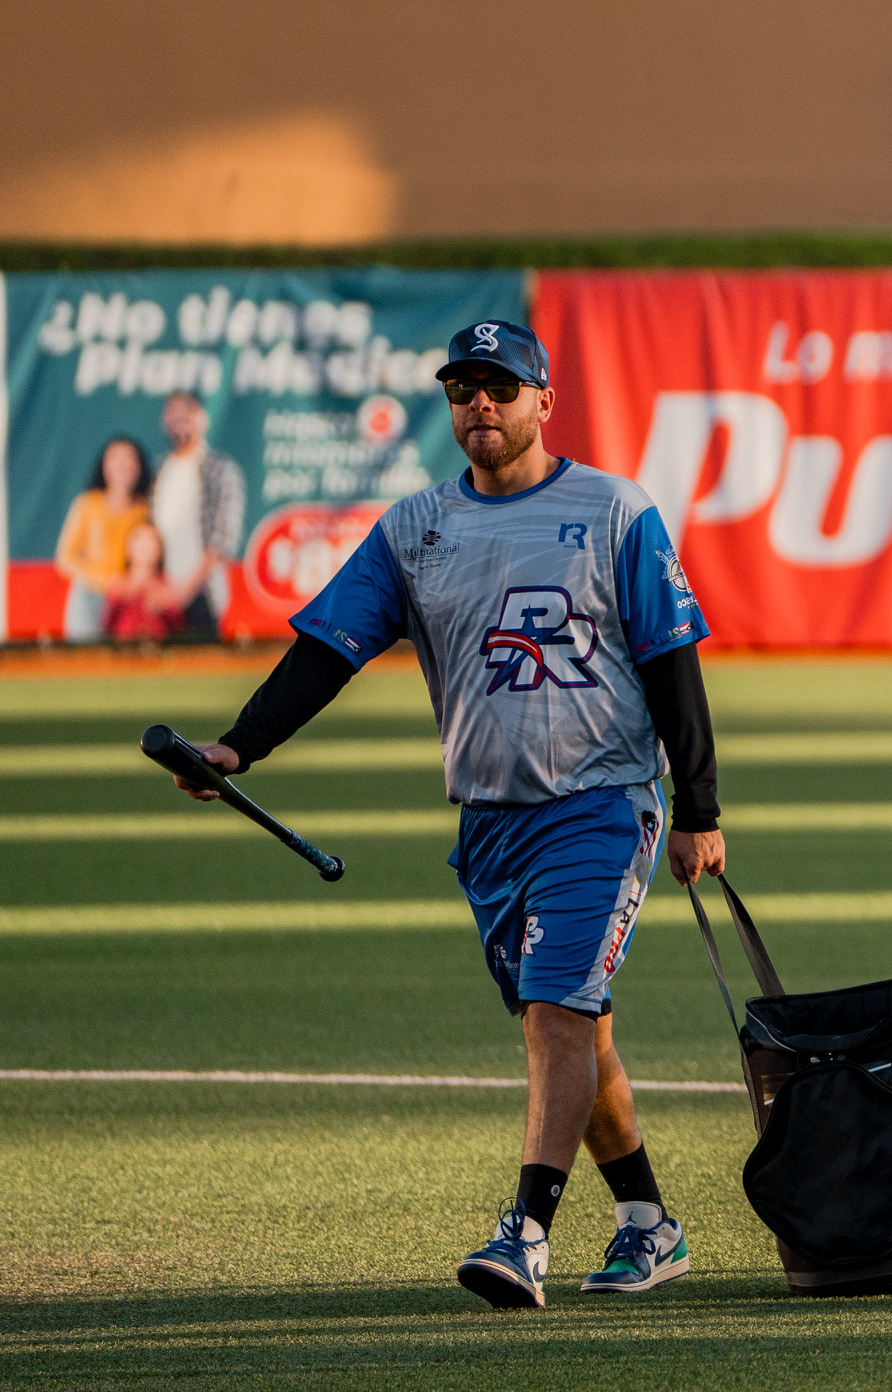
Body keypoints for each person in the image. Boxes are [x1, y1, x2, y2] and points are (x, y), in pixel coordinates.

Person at [168, 319, 724, 1310]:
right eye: (464, 387)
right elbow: (328, 650)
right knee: (576, 1032)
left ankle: (528, 1234)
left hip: (599, 805)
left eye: (501, 387)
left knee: (557, 1015)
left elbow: (672, 659)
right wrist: (238, 746)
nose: (481, 403)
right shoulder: (415, 527)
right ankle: (649, 1222)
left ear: (544, 400)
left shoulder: (613, 510)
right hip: (490, 823)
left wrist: (699, 806)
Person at [149, 392, 244, 644]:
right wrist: (157, 587)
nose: (180, 417)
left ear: (202, 418)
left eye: (187, 410)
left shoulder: (220, 469)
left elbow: (224, 538)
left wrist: (184, 590)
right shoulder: (158, 470)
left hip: (203, 593)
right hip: (160, 593)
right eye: (172, 411)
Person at [56, 436, 157, 642]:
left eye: (129, 459)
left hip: (129, 599)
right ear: (104, 465)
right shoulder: (87, 504)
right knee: (86, 661)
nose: (122, 465)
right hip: (90, 595)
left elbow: (151, 553)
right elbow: (65, 558)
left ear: (139, 467)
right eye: (115, 458)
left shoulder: (144, 510)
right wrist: (107, 581)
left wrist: (135, 584)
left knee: (126, 665)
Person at [105, 525, 173, 642]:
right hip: (124, 650)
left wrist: (164, 606)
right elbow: (107, 624)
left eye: (151, 540)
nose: (145, 545)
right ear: (128, 549)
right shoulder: (118, 583)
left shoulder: (166, 584)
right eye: (139, 539)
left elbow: (177, 625)